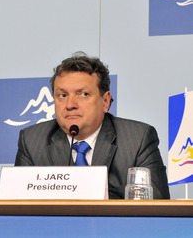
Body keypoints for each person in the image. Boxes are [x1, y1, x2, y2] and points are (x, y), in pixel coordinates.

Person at [15, 53, 170, 199]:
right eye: (62, 95)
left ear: (105, 101)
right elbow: (18, 206)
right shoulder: (31, 140)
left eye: (83, 94)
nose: (70, 105)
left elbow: (156, 205)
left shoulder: (137, 139)